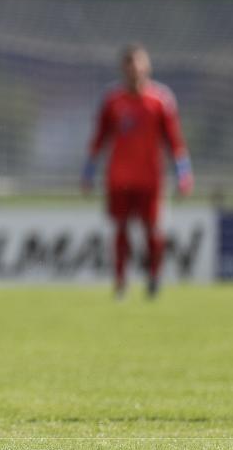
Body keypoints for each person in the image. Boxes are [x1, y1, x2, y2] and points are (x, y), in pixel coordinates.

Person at [83, 44, 193, 299]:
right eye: (130, 65)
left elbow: (174, 140)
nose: (135, 70)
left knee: (152, 230)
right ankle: (121, 282)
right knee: (120, 228)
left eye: (139, 64)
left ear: (147, 67)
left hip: (151, 179)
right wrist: (89, 171)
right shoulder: (112, 100)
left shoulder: (160, 100)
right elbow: (99, 138)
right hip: (119, 178)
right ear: (123, 68)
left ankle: (154, 278)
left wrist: (184, 173)